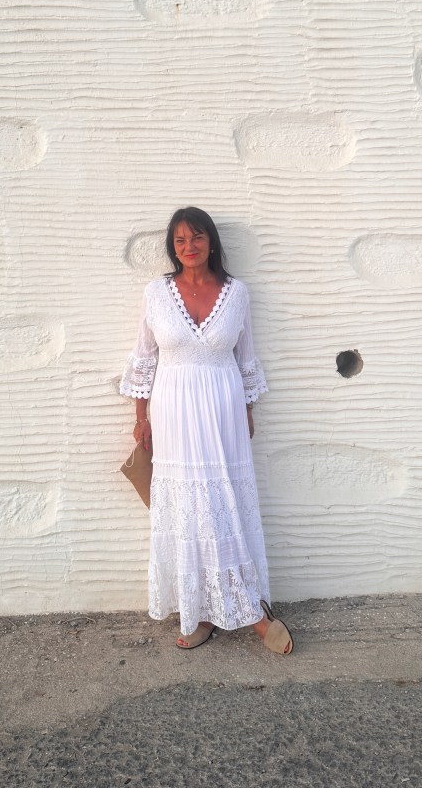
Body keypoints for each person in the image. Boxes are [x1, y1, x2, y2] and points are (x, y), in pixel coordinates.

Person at [120, 207, 293, 653]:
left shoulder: (237, 293)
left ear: (211, 242)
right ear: (172, 248)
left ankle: (246, 606)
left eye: (196, 238)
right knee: (189, 507)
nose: (189, 247)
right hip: (173, 411)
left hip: (223, 411)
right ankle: (199, 612)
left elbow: (246, 357)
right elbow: (144, 358)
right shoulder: (156, 293)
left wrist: (248, 407)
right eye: (180, 241)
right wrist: (140, 417)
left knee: (224, 503)